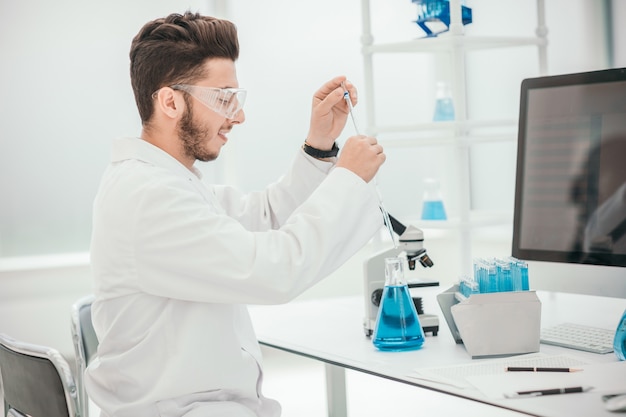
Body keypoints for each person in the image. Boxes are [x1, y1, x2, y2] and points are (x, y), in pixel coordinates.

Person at [85, 11, 386, 417]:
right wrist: (347, 179)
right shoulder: (149, 198)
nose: (238, 116)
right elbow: (274, 270)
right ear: (170, 101)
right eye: (224, 97)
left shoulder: (168, 183)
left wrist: (319, 145)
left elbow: (262, 218)